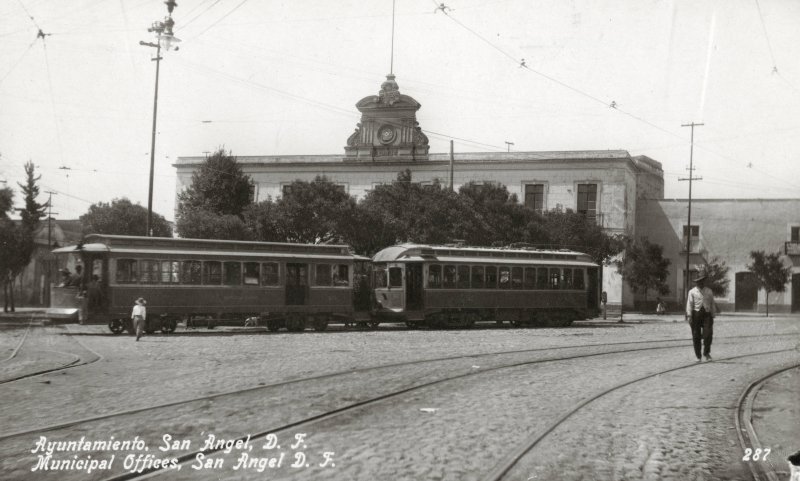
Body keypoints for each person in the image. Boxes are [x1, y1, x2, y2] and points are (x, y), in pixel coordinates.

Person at [685, 275, 717, 361]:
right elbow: (689, 304)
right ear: (696, 283)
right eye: (698, 282)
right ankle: (698, 356)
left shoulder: (709, 291)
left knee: (708, 334)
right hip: (696, 315)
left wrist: (713, 313)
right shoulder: (692, 292)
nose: (700, 283)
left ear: (704, 282)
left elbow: (712, 303)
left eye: (702, 281)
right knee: (696, 335)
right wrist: (689, 315)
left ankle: (706, 353)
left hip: (707, 314)